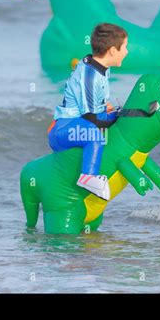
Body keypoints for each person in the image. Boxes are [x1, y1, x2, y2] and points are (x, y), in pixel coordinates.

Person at [48, 23, 128, 200]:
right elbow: (92, 118)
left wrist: (111, 111)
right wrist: (119, 114)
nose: (127, 52)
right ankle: (87, 178)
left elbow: (97, 108)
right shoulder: (89, 75)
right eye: (125, 47)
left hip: (79, 123)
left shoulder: (100, 69)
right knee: (94, 134)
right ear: (113, 50)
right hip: (63, 130)